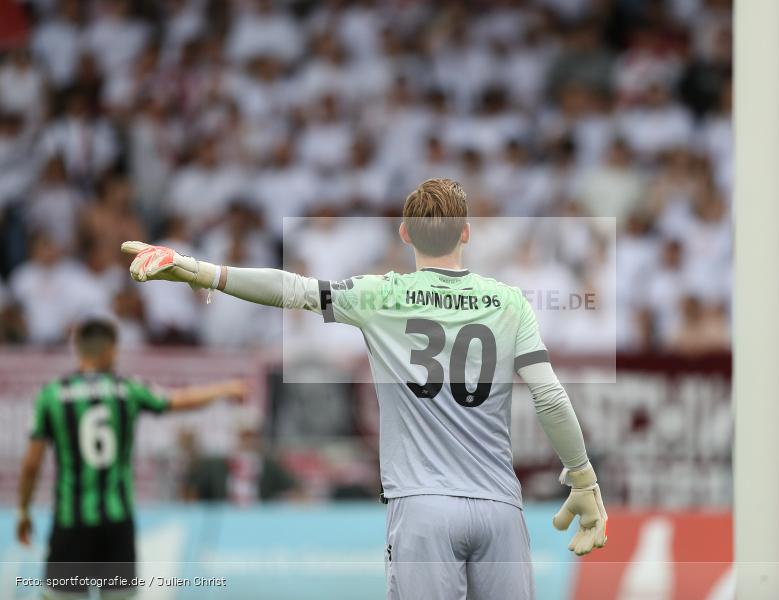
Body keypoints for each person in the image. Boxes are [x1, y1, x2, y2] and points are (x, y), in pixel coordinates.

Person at [122, 178, 607, 600]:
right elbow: (549, 397)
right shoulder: (510, 302)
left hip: (421, 505)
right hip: (500, 506)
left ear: (403, 234)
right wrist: (583, 478)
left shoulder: (381, 294)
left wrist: (201, 270)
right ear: (465, 232)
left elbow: (291, 288)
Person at [16, 318, 246, 600]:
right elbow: (178, 400)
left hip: (70, 522)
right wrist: (223, 389)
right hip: (117, 523)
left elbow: (30, 466)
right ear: (110, 351)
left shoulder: (51, 395)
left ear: (78, 349)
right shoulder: (126, 390)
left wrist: (24, 511)